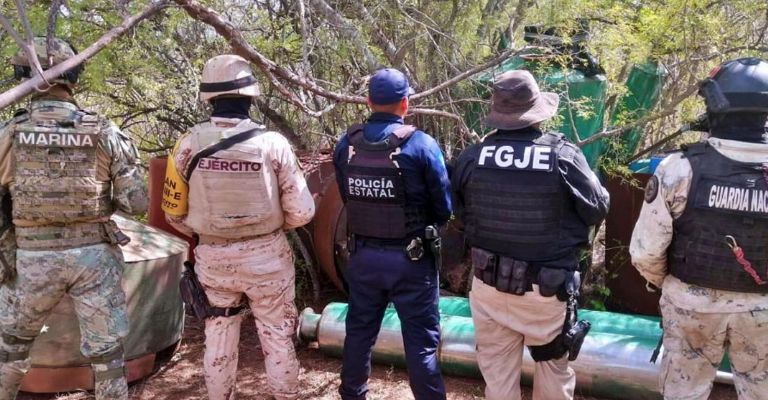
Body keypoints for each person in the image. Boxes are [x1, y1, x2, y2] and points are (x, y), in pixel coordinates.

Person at [0, 37, 148, 400]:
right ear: (75, 77)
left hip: (28, 260)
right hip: (93, 258)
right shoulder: (104, 131)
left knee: (10, 350)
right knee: (107, 357)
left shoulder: (8, 133)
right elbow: (136, 203)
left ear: (22, 76)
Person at [162, 54, 315, 400]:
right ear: (250, 96)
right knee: (277, 335)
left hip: (213, 258)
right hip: (268, 257)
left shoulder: (188, 144)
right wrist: (270, 228)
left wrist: (207, 232)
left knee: (218, 335)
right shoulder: (273, 143)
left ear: (209, 98)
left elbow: (172, 212)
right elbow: (303, 211)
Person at [452, 70, 609, 400]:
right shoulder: (563, 155)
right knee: (552, 372)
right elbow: (597, 208)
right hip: (545, 292)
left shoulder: (472, 157)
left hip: (488, 288)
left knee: (498, 377)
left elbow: (461, 215)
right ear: (538, 113)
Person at [630, 57, 768, 400]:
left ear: (716, 104)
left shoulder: (678, 169)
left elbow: (646, 252)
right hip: (762, 313)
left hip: (691, 306)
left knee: (684, 393)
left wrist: (675, 286)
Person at [333, 68, 452, 400]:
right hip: (411, 261)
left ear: (368, 101)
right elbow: (444, 208)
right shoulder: (422, 145)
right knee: (421, 343)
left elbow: (346, 198)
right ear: (405, 103)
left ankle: (353, 395)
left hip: (363, 258)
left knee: (359, 334)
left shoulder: (346, 145)